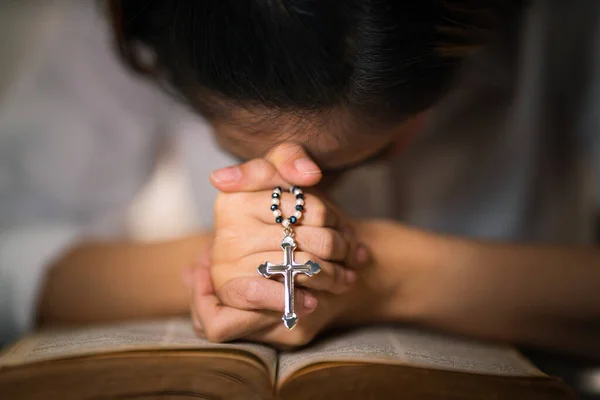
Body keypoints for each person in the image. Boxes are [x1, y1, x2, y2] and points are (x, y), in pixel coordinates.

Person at [1, 0, 600, 377]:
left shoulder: (566, 22)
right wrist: (229, 268)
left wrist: (385, 275)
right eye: (244, 156)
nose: (307, 200)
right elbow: (11, 247)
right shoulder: (130, 21)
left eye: (369, 155)